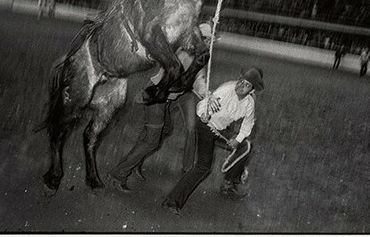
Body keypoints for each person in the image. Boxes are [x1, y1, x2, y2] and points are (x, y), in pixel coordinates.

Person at [106, 22, 214, 193]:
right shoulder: (184, 55)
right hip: (157, 96)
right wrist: (196, 86)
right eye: (207, 41)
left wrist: (206, 92)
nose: (208, 45)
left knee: (165, 129)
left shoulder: (197, 56)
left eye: (209, 42)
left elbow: (198, 79)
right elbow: (180, 81)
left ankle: (134, 163)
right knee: (152, 141)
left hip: (165, 98)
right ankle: (119, 174)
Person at [162, 66, 264, 215]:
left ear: (252, 90)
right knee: (203, 167)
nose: (241, 85)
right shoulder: (226, 90)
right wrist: (204, 112)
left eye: (247, 84)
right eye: (241, 81)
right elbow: (203, 104)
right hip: (206, 127)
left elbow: (248, 124)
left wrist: (238, 139)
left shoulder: (249, 103)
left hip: (221, 130)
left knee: (245, 146)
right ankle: (172, 201)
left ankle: (229, 183)